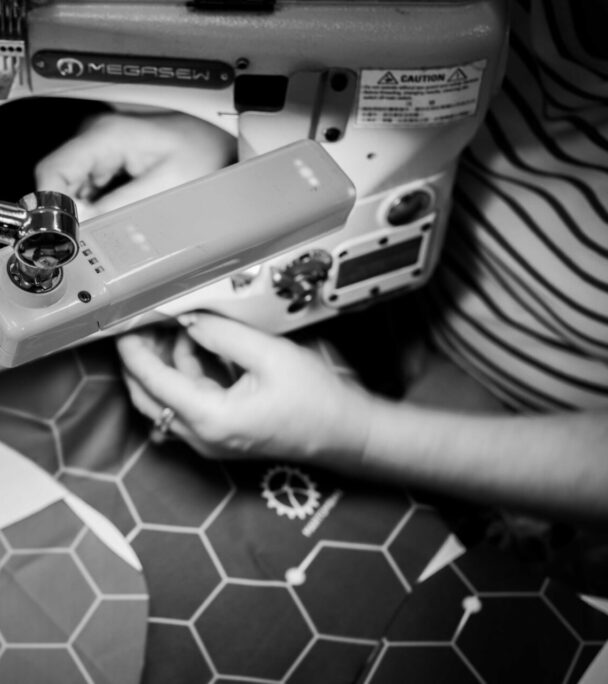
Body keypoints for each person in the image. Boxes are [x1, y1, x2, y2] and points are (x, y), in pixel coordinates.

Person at [34, 0, 608, 525]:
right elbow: (365, 80)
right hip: (418, 318)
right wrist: (213, 129)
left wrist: (358, 437)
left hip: (533, 430)